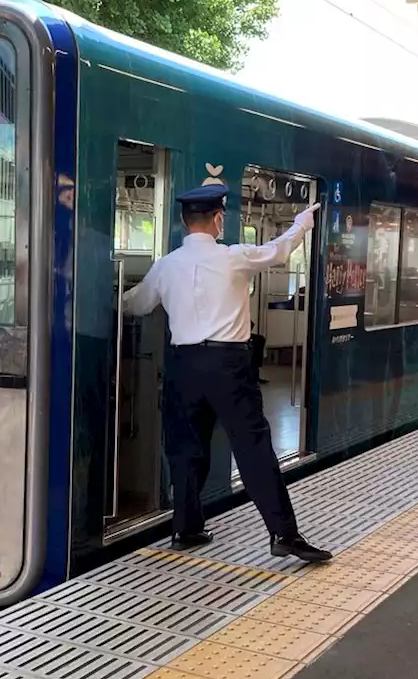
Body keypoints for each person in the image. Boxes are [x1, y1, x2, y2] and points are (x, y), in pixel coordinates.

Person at [122, 180, 332, 563]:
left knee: (186, 449)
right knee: (252, 448)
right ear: (218, 219)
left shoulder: (166, 265)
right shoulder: (234, 257)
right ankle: (283, 534)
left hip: (183, 366)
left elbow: (135, 305)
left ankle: (186, 529)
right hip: (229, 366)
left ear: (186, 222)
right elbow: (279, 250)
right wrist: (302, 222)